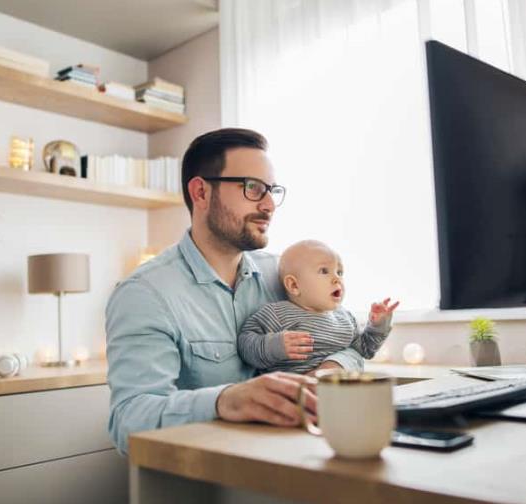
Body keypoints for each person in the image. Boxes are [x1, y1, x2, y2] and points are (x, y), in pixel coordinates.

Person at [105, 129, 364, 454]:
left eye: (272, 190)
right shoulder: (144, 294)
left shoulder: (284, 275)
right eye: (253, 188)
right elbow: (128, 421)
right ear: (201, 193)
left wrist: (332, 369)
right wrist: (223, 401)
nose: (269, 205)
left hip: (300, 462)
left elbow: (353, 344)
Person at [237, 240, 399, 374]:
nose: (337, 279)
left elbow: (365, 349)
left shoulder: (345, 319)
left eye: (340, 272)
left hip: (336, 394)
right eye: (324, 271)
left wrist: (378, 325)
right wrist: (275, 345)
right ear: (294, 285)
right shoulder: (276, 314)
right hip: (289, 396)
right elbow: (245, 344)